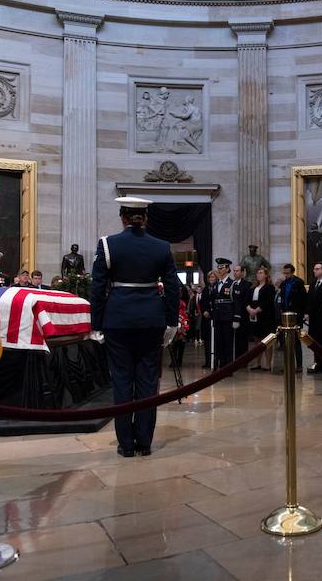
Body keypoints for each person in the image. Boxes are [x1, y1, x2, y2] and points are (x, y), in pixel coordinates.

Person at [90, 196, 182, 458]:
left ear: (123, 218)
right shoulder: (161, 246)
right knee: (148, 381)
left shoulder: (107, 244)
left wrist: (96, 323)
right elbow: (172, 287)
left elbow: (98, 287)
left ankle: (126, 444)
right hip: (151, 320)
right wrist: (172, 321)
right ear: (146, 219)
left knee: (121, 380)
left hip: (117, 320)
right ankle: (144, 441)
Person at [276, 263, 307, 370]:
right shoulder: (284, 283)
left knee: (296, 341)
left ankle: (299, 365)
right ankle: (288, 365)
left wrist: (302, 314)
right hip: (285, 315)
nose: (286, 275)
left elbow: (303, 299)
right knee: (285, 342)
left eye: (288, 273)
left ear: (292, 272)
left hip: (295, 315)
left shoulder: (298, 282)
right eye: (284, 273)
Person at [247, 267, 277, 371]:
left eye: (261, 273)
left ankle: (268, 364)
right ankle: (257, 363)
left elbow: (268, 301)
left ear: (266, 275)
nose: (258, 275)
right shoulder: (253, 288)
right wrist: (249, 309)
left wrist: (256, 310)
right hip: (254, 317)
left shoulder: (269, 287)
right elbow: (247, 300)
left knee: (267, 341)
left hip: (266, 317)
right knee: (257, 340)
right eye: (257, 273)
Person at [306, 262, 322, 374]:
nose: (314, 271)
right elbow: (309, 299)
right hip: (314, 317)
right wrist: (307, 313)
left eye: (317, 269)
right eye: (314, 269)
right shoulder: (313, 283)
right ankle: (318, 363)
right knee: (315, 341)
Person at [211, 258, 235, 368]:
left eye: (222, 267)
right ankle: (220, 364)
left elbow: (235, 302)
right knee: (219, 342)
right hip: (218, 317)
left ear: (227, 268)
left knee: (228, 342)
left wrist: (236, 318)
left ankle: (228, 366)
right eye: (218, 267)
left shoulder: (232, 283)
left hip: (227, 316)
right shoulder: (216, 284)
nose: (219, 270)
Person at [231, 264, 252, 362]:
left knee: (242, 339)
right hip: (231, 315)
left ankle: (243, 361)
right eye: (234, 271)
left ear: (242, 272)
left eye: (237, 271)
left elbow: (245, 301)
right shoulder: (232, 284)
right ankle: (235, 360)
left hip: (243, 316)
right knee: (234, 339)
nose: (235, 273)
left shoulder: (247, 285)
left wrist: (238, 314)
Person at [199, 270, 218, 368]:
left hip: (215, 317)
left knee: (216, 340)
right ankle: (208, 361)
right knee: (207, 341)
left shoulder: (218, 288)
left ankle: (216, 361)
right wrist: (204, 311)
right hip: (206, 318)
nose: (211, 279)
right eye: (210, 277)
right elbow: (202, 302)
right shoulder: (206, 289)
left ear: (216, 278)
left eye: (213, 277)